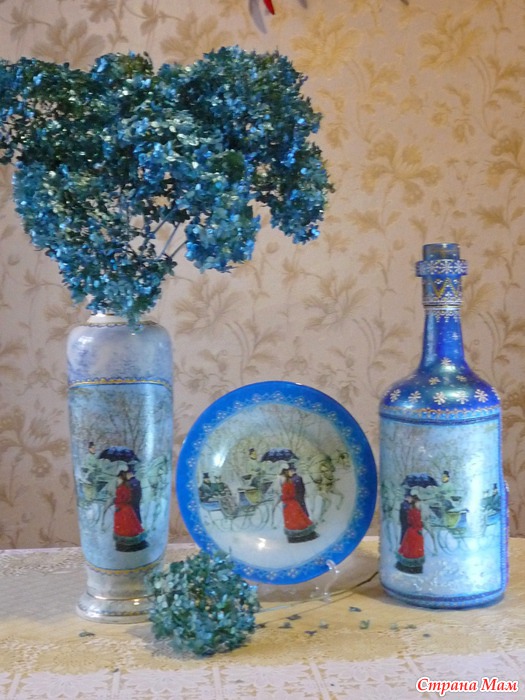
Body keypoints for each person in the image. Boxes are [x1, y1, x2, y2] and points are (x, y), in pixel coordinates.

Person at [280, 467, 318, 543]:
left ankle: (298, 535)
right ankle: (300, 533)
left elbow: (291, 494)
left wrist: (283, 497)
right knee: (296, 518)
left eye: (283, 475)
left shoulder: (288, 483)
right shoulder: (287, 482)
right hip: (289, 504)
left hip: (290, 504)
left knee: (295, 519)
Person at [113, 470, 148, 552]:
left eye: (119, 478)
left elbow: (125, 498)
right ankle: (123, 544)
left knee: (127, 526)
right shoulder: (123, 486)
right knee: (129, 525)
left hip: (123, 510)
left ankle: (128, 544)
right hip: (122, 509)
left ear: (121, 478)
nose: (118, 479)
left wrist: (116, 501)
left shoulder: (123, 487)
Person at [396, 494, 424, 574]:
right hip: (415, 532)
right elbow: (417, 523)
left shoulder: (411, 511)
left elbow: (409, 521)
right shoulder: (416, 512)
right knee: (415, 550)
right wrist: (421, 525)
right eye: (418, 503)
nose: (419, 504)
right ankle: (415, 568)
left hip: (410, 532)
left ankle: (406, 566)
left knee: (408, 550)